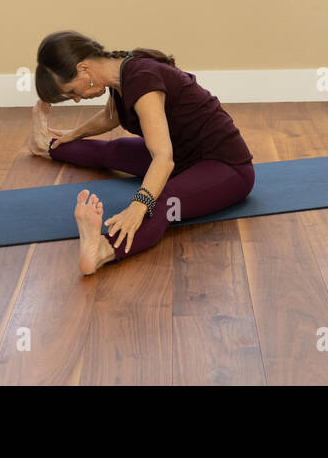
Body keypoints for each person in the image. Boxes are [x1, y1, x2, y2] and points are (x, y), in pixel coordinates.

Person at [27, 30, 254, 275]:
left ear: (83, 69)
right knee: (115, 151)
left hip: (225, 167)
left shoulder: (142, 79)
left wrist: (138, 206)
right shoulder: (119, 75)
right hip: (182, 156)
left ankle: (102, 251)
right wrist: (73, 134)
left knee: (165, 199)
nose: (77, 100)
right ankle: (45, 146)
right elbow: (109, 117)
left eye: (72, 91)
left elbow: (162, 159)